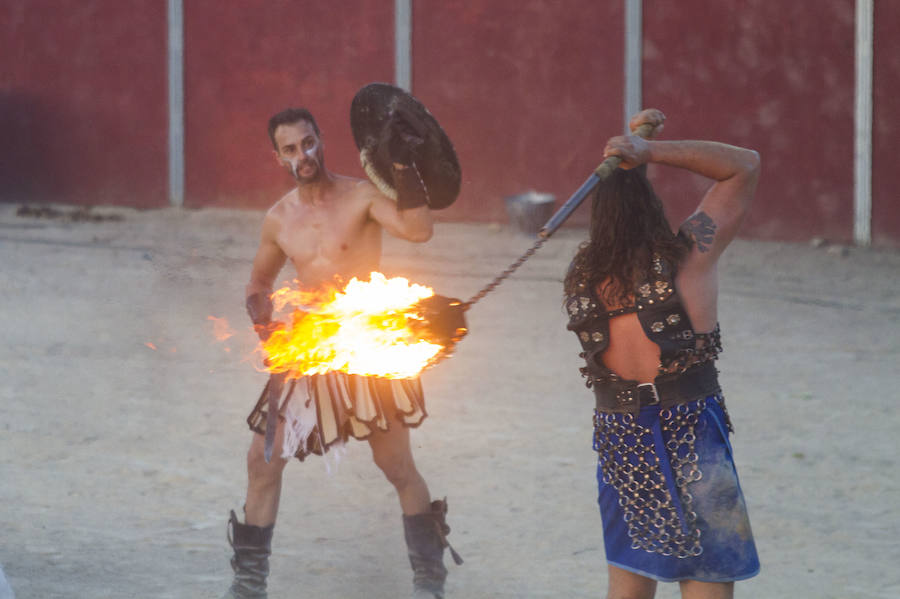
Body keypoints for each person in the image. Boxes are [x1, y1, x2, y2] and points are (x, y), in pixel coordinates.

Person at [222, 107, 460, 599]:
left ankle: (429, 582)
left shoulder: (361, 196)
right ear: (278, 156)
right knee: (262, 462)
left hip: (367, 349)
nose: (302, 156)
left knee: (396, 467)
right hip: (309, 351)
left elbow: (419, 231)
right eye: (290, 149)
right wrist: (265, 324)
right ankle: (248, 587)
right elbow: (259, 281)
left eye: (307, 143)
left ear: (320, 139)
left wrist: (401, 166)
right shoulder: (279, 219)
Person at [563, 109, 761, 599]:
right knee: (708, 577)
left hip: (621, 436)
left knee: (629, 582)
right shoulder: (690, 258)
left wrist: (638, 151)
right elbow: (744, 166)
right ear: (650, 203)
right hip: (691, 428)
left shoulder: (583, 281)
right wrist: (651, 151)